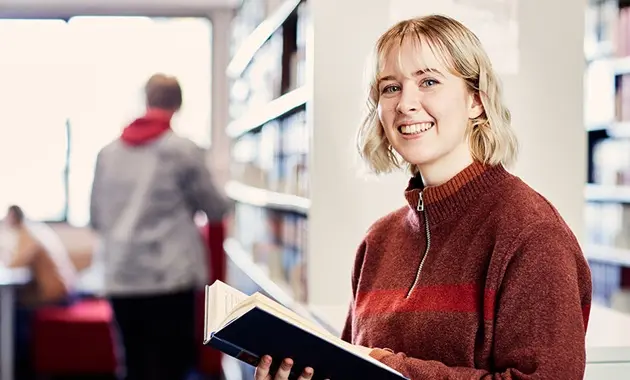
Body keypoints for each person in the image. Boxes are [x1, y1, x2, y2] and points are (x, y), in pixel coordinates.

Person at [255, 14, 592, 380]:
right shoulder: (377, 241)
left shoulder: (530, 233)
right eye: (390, 88)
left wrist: (389, 370)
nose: (405, 104)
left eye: (429, 81)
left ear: (476, 100)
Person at [90, 73, 231, 380]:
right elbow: (216, 209)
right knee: (170, 365)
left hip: (121, 277)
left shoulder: (107, 154)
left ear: (147, 100)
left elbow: (96, 217)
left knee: (133, 364)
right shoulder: (183, 151)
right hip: (169, 279)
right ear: (177, 104)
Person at [1, 205, 77, 380]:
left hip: (59, 295)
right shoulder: (36, 230)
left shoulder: (29, 235)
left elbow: (14, 263)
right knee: (15, 306)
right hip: (65, 291)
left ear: (13, 217)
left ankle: (20, 368)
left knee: (14, 314)